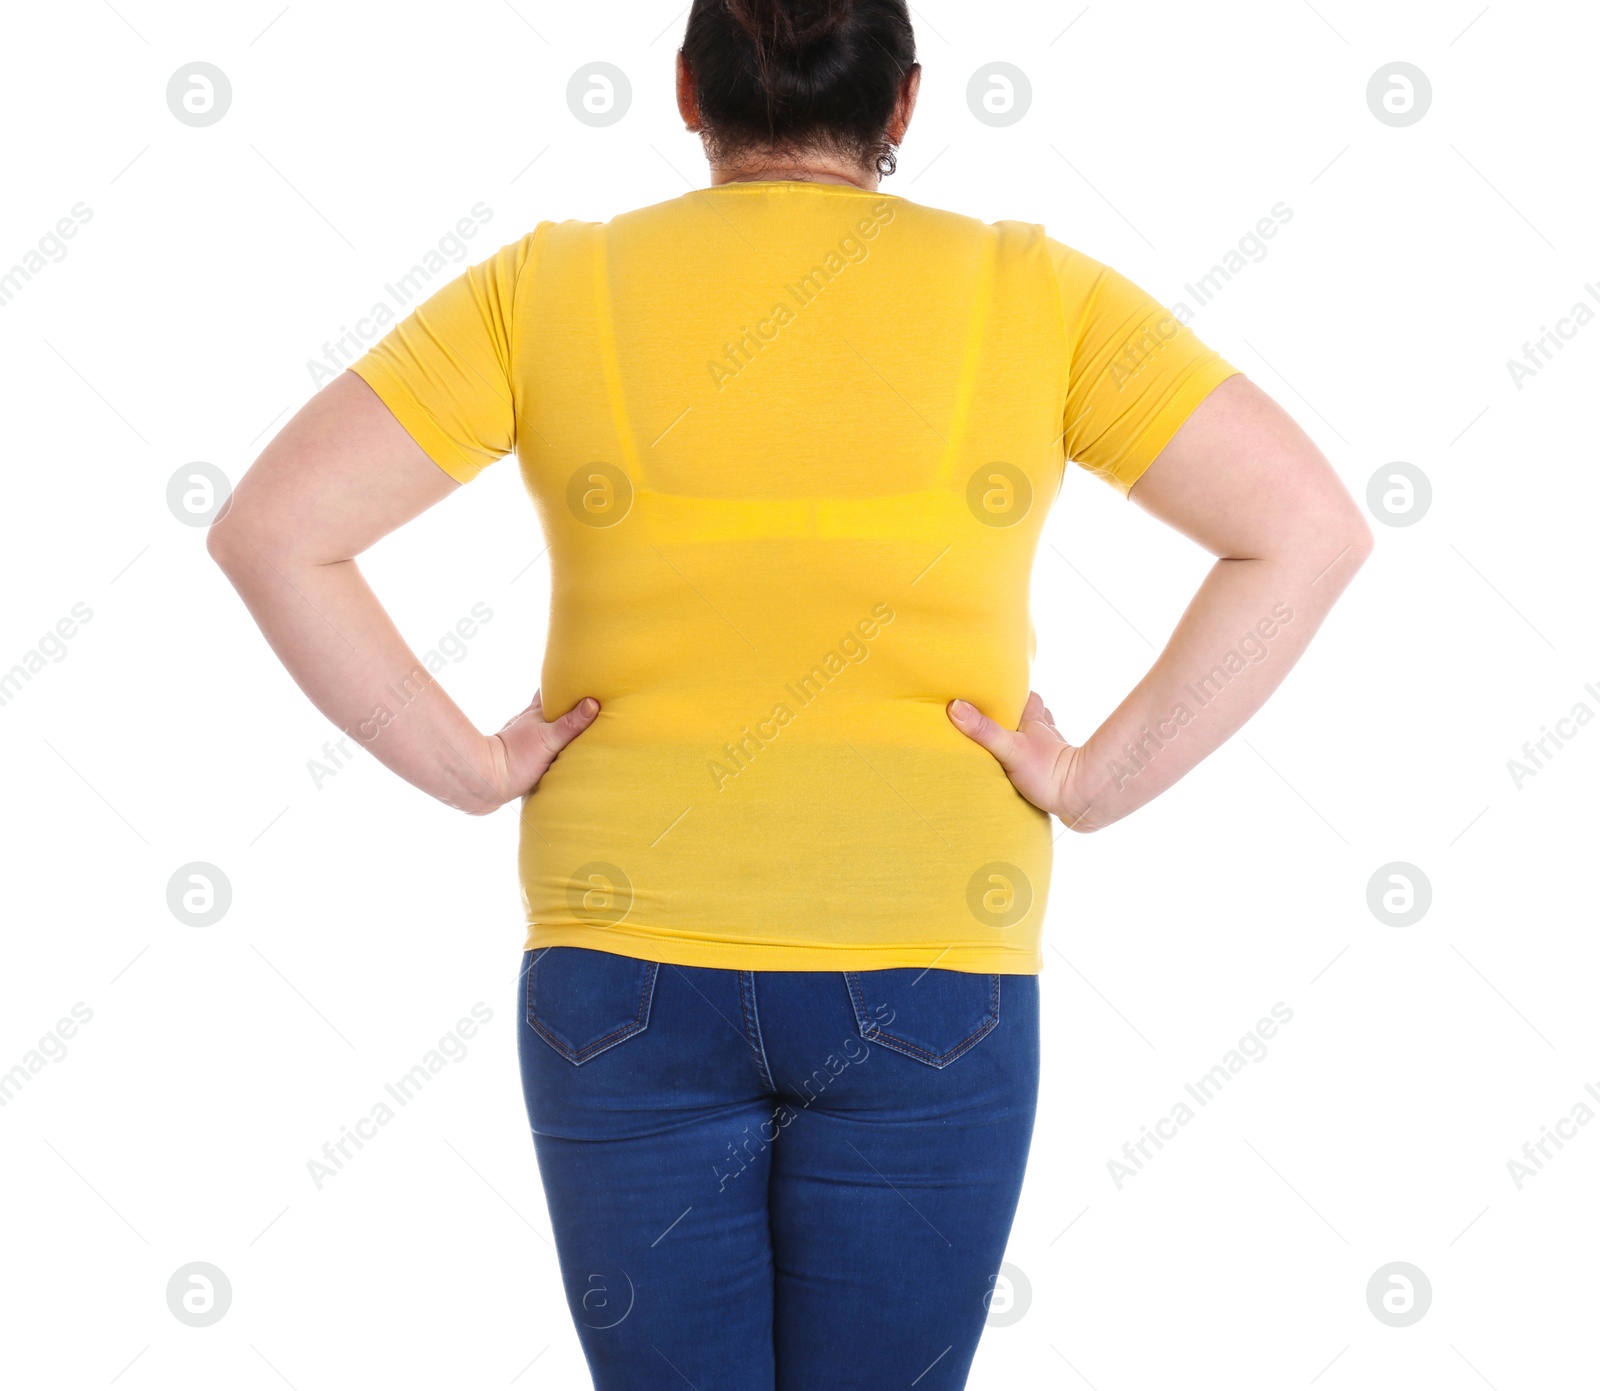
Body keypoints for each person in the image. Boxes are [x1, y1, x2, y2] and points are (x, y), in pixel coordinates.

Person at [207, 0, 1372, 1385]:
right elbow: (1308, 526)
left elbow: (274, 529)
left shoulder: (555, 286)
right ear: (905, 103)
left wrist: (471, 766)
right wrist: (1093, 782)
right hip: (932, 966)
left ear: (689, 92)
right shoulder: (1028, 292)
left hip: (620, 965)